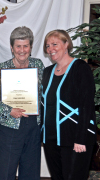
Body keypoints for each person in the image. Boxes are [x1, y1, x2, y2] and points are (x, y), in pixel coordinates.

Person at [0, 26, 44, 180]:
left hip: (33, 126)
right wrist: (8, 110)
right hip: (10, 126)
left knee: (31, 171)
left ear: (31, 47)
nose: (22, 50)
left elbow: (46, 93)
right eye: (18, 46)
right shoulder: (2, 68)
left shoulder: (39, 65)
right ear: (12, 48)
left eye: (26, 46)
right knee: (6, 171)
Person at [41, 29, 96, 180]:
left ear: (66, 44)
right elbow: (44, 104)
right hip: (50, 139)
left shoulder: (80, 68)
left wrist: (81, 138)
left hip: (75, 139)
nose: (50, 49)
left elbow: (86, 106)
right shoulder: (47, 72)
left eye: (54, 44)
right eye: (47, 46)